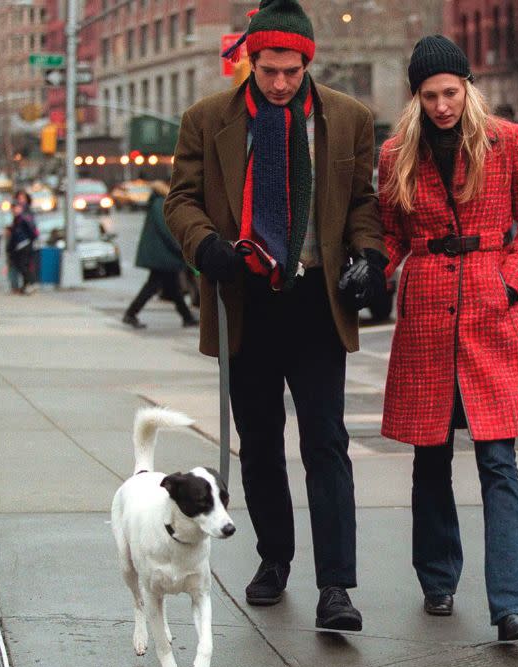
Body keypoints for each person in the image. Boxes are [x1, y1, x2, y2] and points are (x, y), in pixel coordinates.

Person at [164, 0, 386, 632]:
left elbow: (363, 204)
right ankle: (274, 560)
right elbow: (179, 200)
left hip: (319, 302)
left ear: (306, 62)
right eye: (269, 71)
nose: (281, 83)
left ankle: (337, 586)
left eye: (291, 71)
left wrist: (370, 256)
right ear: (250, 62)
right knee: (259, 445)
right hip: (246, 303)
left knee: (327, 445)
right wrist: (205, 243)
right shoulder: (208, 120)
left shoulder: (347, 118)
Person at [378, 35, 518, 641]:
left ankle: (511, 605)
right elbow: (392, 235)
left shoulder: (508, 142)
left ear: (468, 87)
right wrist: (371, 269)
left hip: (489, 309)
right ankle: (438, 581)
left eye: (451, 92)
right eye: (430, 96)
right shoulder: (397, 152)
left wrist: (510, 281)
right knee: (429, 458)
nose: (443, 106)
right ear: (416, 96)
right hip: (427, 313)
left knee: (498, 461)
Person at [123, 181, 198, 329]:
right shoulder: (160, 204)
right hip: (162, 254)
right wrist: (179, 248)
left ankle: (187, 317)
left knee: (171, 287)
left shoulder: (157, 203)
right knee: (154, 286)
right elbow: (167, 230)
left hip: (161, 253)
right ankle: (131, 313)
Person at [7, 201, 37, 294]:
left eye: (16, 208)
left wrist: (28, 241)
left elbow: (32, 232)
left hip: (24, 244)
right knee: (22, 265)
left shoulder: (23, 219)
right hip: (19, 246)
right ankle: (26, 285)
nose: (14, 210)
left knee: (23, 265)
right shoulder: (16, 220)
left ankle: (30, 284)